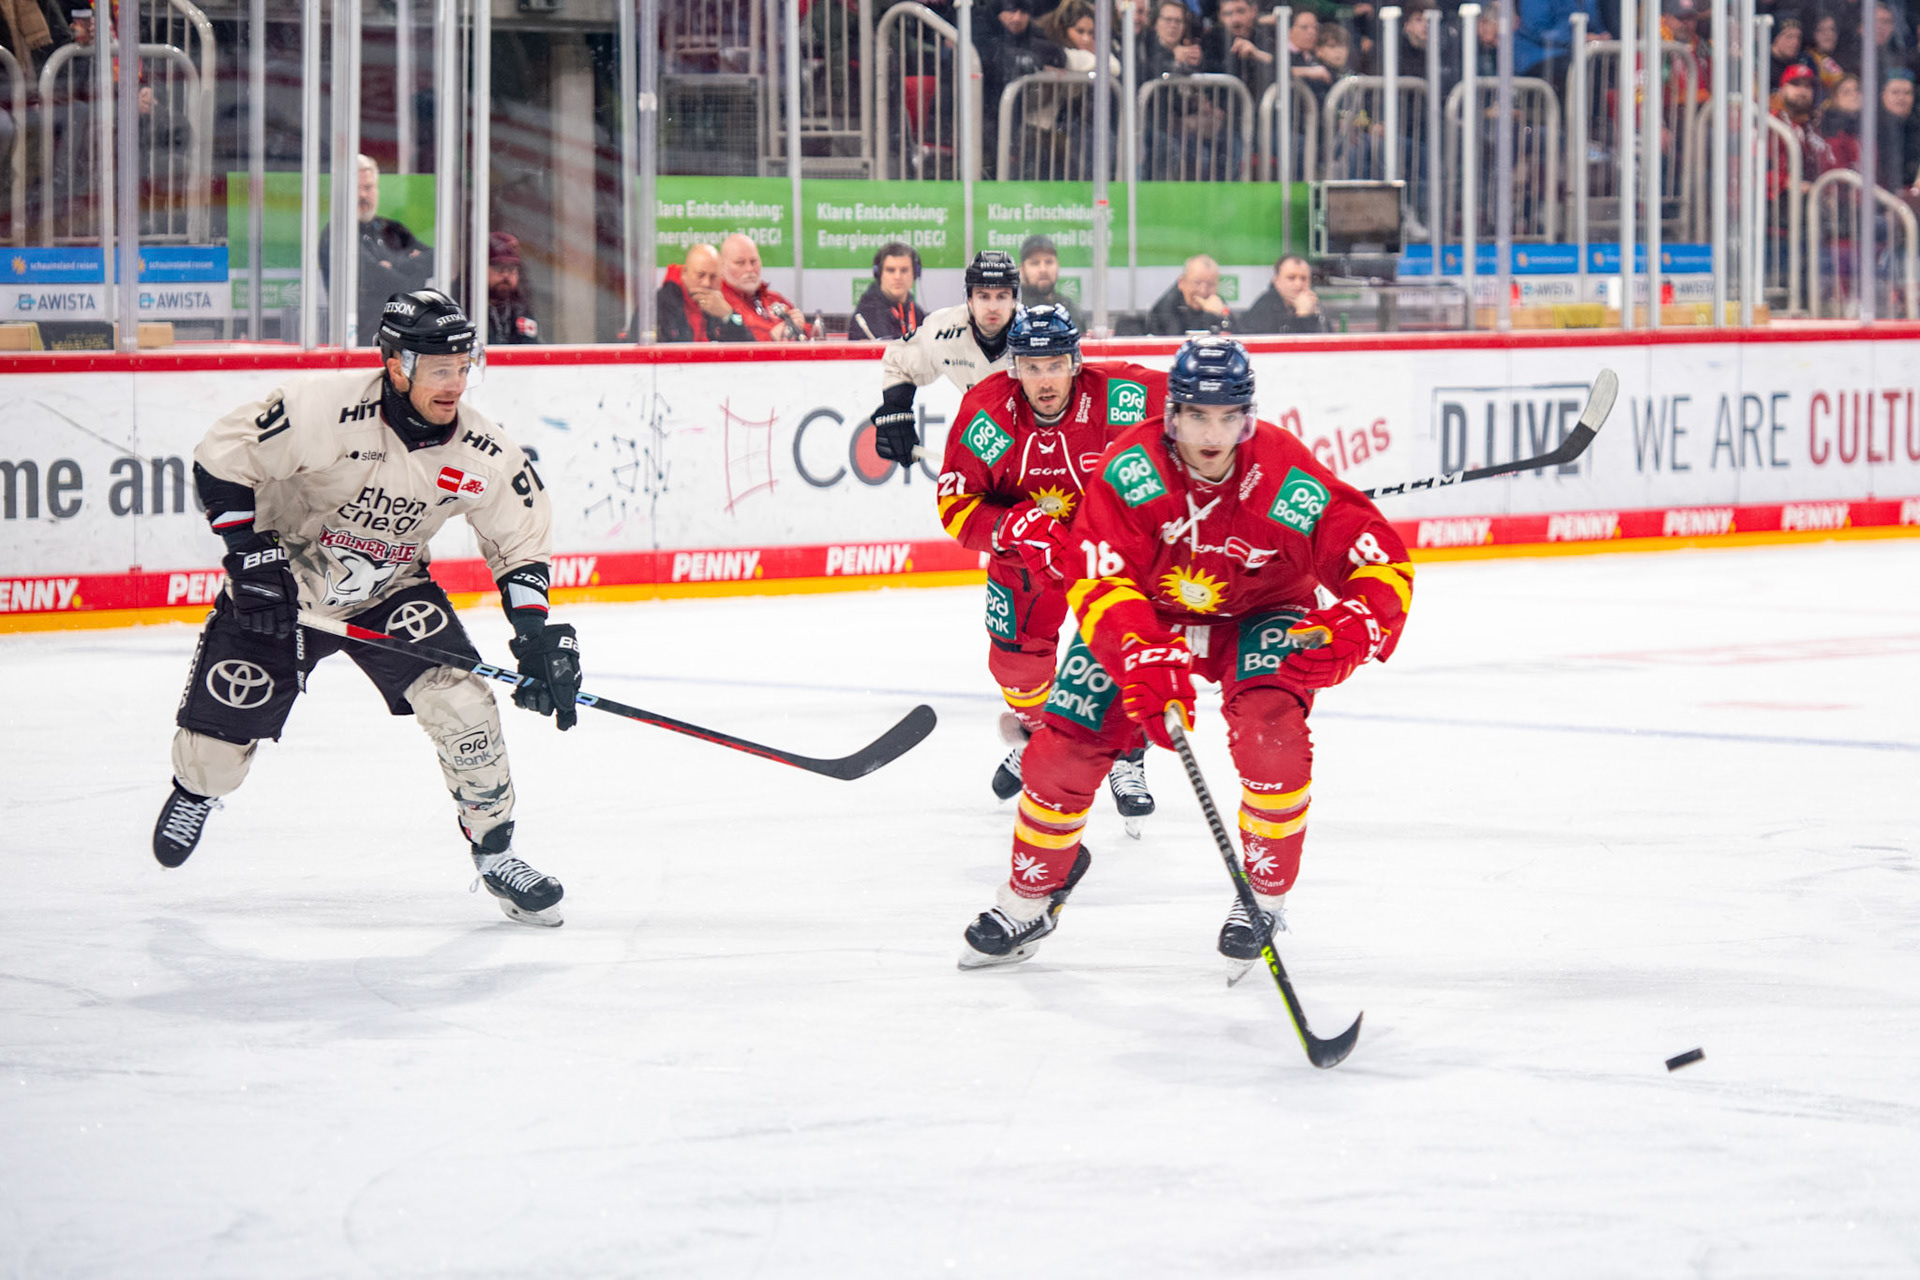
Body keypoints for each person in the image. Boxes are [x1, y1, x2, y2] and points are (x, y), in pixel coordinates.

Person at [957, 336, 1414, 970]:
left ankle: (1263, 896)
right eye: (1198, 415)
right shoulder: (1132, 468)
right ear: (1172, 414)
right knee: (1064, 744)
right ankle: (1029, 899)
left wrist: (1361, 622)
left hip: (1260, 615)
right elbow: (1096, 575)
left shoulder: (1281, 472)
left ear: (1247, 416)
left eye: (1228, 416)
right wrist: (1139, 652)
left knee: (1270, 733)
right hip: (1152, 618)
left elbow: (1375, 556)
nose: (1212, 433)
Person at [150, 289, 583, 928]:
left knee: (463, 703)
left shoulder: (482, 450)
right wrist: (249, 556)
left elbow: (519, 542)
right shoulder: (324, 409)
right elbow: (222, 457)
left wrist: (537, 636)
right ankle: (196, 790)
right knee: (216, 748)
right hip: (286, 584)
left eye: (464, 367)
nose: (455, 384)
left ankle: (496, 853)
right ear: (397, 363)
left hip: (390, 586)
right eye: (440, 368)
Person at [932, 304, 1168, 824]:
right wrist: (1014, 527)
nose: (1045, 380)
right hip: (1023, 562)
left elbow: (1199, 411)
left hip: (1105, 556)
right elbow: (955, 504)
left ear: (1076, 361)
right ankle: (1042, 737)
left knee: (1124, 649)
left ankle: (1126, 755)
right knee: (1017, 667)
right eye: (1032, 366)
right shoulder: (988, 414)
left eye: (1055, 364)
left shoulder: (1119, 395)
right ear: (1014, 366)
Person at [869, 249, 1023, 465]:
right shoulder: (944, 329)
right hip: (987, 438)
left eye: (1002, 296)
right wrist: (896, 410)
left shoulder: (1035, 334)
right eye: (983, 296)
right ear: (969, 299)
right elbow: (899, 361)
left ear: (1014, 299)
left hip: (1036, 436)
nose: (993, 306)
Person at [318, 155, 433, 345]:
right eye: (356, 188)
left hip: (404, 335)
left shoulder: (391, 228)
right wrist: (410, 271)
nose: (363, 195)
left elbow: (434, 259)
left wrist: (393, 265)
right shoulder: (338, 232)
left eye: (368, 187)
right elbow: (379, 279)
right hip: (358, 341)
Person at [718, 232, 813, 341]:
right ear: (721, 267)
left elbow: (809, 333)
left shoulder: (774, 299)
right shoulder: (719, 304)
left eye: (754, 262)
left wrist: (800, 326)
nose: (749, 269)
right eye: (740, 263)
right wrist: (770, 338)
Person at [656, 242, 753, 343]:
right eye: (700, 275)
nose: (706, 283)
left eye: (713, 277)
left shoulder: (724, 301)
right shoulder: (660, 305)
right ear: (684, 273)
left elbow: (749, 348)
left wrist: (728, 316)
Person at [1512, 0, 1608, 94]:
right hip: (1537, 57)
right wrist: (1578, 38)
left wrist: (1602, 36)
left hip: (1571, 55)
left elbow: (1594, 24)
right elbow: (1537, 30)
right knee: (1580, 70)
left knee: (1599, 67)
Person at [1202, 0, 1279, 101]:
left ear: (1253, 11)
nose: (1235, 20)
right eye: (1228, 14)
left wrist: (1257, 54)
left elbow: (1283, 70)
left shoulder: (1266, 37)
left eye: (1241, 11)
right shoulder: (1211, 41)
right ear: (1220, 17)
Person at [852, 241, 928, 341]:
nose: (897, 277)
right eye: (890, 270)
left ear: (915, 273)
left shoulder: (916, 312)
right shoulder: (869, 312)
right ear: (879, 274)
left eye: (904, 270)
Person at [1146, 253, 1235, 334]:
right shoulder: (1166, 308)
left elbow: (1236, 339)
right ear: (1181, 283)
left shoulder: (1217, 303)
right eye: (1197, 283)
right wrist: (1209, 316)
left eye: (1210, 285)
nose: (1203, 291)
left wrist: (1221, 317)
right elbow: (1182, 344)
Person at [1241, 254, 1328, 333]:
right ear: (1276, 281)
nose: (1298, 284)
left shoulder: (1314, 305)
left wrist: (1313, 317)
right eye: (1291, 278)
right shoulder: (1264, 307)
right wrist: (1302, 316)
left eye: (1304, 278)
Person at [1017, 233, 1086, 332]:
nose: (1043, 269)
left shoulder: (1070, 310)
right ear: (1022, 269)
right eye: (1035, 263)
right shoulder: (1013, 310)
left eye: (1049, 262)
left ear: (1057, 265)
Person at [485, 232, 540, 345]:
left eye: (511, 269)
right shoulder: (466, 309)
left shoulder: (521, 310)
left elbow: (531, 350)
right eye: (498, 267)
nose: (506, 275)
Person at [1877, 69, 1920, 192]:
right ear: (1883, 96)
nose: (1901, 98)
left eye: (1907, 93)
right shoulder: (1873, 128)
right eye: (1895, 92)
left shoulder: (1916, 127)